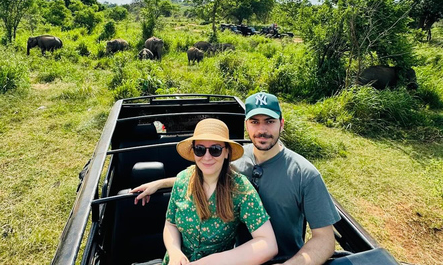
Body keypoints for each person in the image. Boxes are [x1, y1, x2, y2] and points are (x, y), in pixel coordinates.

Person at [132, 93, 340, 265]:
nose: (262, 130)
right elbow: (203, 174)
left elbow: (325, 240)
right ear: (246, 125)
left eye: (269, 121)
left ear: (281, 124)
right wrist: (160, 183)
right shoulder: (237, 159)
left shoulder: (304, 174)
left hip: (284, 259)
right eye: (254, 122)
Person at [162, 118, 277, 265]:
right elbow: (170, 224)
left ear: (226, 152)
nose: (207, 156)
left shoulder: (240, 188)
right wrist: (174, 252)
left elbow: (268, 244)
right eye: (200, 149)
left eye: (215, 149)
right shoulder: (182, 180)